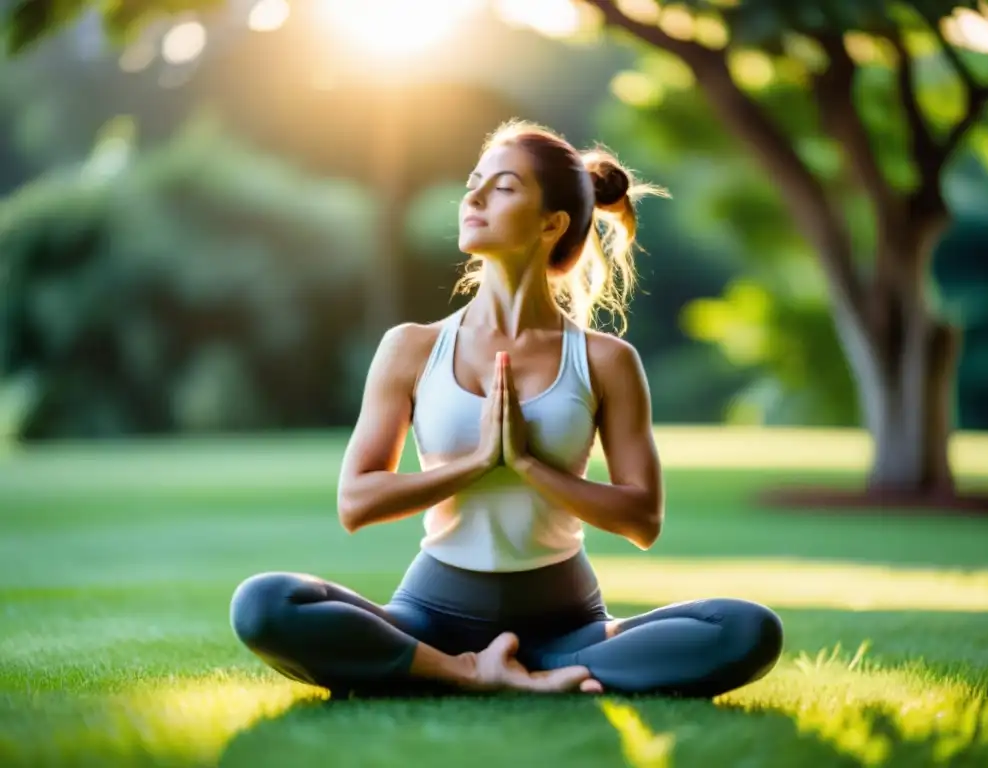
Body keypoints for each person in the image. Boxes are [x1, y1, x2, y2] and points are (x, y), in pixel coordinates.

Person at [229, 120, 783, 698]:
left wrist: (528, 466)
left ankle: (534, 670)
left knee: (747, 629)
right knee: (264, 605)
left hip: (568, 623)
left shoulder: (605, 360)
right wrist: (475, 462)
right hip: (434, 619)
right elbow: (355, 502)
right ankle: (465, 671)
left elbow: (641, 519)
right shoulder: (413, 346)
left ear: (552, 223)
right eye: (474, 182)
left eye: (504, 186)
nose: (474, 196)